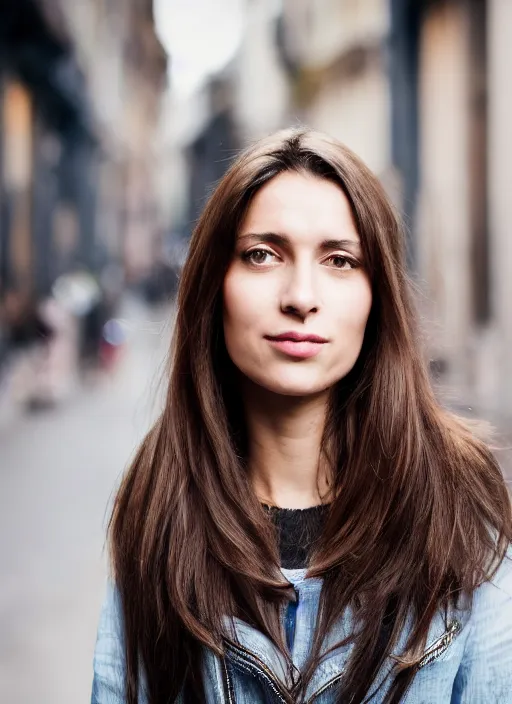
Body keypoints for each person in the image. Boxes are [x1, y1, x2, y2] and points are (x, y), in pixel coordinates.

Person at [90, 129, 512, 703]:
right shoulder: (161, 506)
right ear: (216, 285)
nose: (301, 295)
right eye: (263, 255)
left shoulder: (459, 510)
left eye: (340, 260)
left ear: (377, 295)